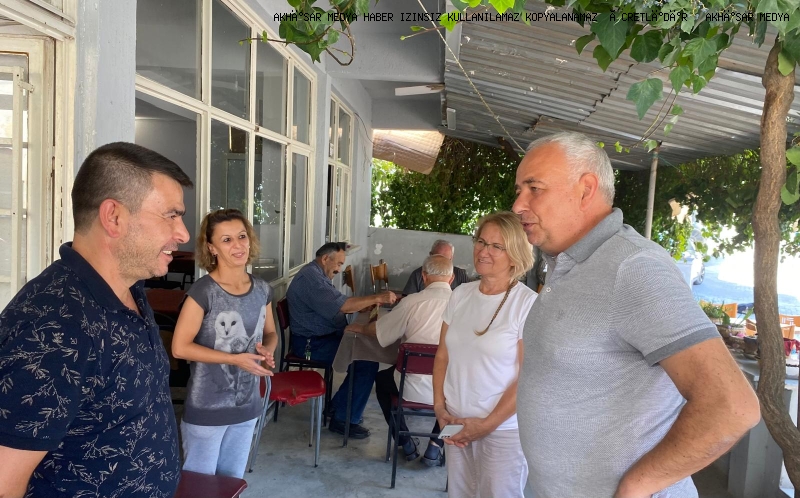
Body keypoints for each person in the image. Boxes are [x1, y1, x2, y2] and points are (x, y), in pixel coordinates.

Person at [512, 131, 761, 498]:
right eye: (519, 190)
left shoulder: (634, 267)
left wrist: (636, 487)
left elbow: (732, 406)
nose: (518, 205)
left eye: (534, 189)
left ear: (585, 189)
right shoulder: (569, 264)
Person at [0, 142, 193, 498]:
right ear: (114, 217)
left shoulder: (128, 288)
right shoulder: (55, 328)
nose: (183, 234)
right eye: (171, 215)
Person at [432, 211, 537, 497]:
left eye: (496, 246)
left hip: (503, 430)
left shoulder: (527, 304)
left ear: (515, 255)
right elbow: (442, 356)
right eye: (481, 241)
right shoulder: (460, 294)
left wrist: (486, 425)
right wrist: (440, 408)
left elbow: (528, 377)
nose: (483, 251)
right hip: (455, 421)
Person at [171, 209, 278, 479]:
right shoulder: (203, 291)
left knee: (231, 484)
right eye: (226, 240)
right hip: (207, 410)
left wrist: (266, 351)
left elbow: (270, 333)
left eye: (242, 236)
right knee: (200, 489)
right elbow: (179, 348)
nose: (238, 245)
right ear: (212, 248)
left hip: (247, 406)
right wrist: (233, 359)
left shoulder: (262, 289)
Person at [286, 242, 397, 439]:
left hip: (324, 337)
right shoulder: (311, 279)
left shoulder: (317, 273)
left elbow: (337, 303)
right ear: (325, 259)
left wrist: (359, 306)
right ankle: (343, 421)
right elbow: (343, 306)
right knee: (365, 361)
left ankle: (337, 407)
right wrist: (377, 298)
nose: (339, 269)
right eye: (338, 264)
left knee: (364, 352)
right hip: (311, 345)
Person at [354, 254, 453, 466]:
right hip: (448, 391)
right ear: (452, 278)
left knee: (382, 381)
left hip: (408, 385)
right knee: (461, 400)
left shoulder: (411, 302)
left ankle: (404, 441)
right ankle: (437, 445)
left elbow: (381, 332)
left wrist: (360, 328)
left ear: (423, 276)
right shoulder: (465, 305)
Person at [402, 239, 470, 295]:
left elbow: (469, 298)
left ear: (451, 258)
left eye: (445, 260)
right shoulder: (418, 274)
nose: (441, 263)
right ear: (430, 255)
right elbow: (407, 299)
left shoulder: (460, 274)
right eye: (437, 258)